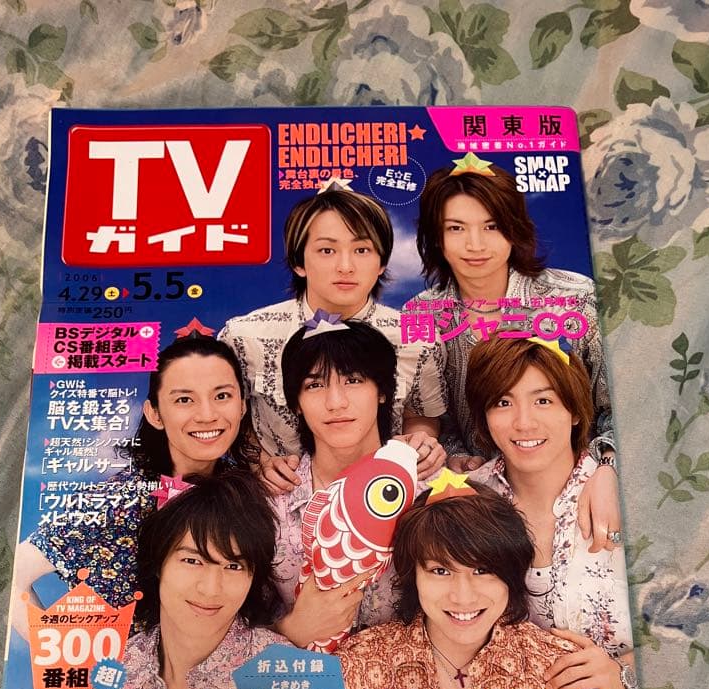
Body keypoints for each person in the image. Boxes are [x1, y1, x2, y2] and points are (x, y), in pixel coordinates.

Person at [410, 157, 619, 550]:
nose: (475, 245)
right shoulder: (421, 315)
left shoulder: (573, 299)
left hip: (583, 485)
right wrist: (453, 456)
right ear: (436, 237)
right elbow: (432, 419)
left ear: (514, 228)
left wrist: (608, 468)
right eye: (456, 228)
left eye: (491, 226)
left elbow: (620, 409)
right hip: (479, 500)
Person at [11, 334, 255, 638]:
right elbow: (14, 573)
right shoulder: (116, 500)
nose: (207, 415)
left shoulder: (247, 487)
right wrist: (51, 647)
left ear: (242, 406)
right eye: (184, 399)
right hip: (128, 665)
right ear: (154, 413)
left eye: (222, 396)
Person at [219, 184, 446, 492]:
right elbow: (230, 416)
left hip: (382, 495)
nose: (345, 267)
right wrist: (261, 462)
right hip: (281, 497)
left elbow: (422, 413)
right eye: (327, 250)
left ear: (382, 262)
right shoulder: (245, 336)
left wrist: (421, 444)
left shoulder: (418, 337)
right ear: (299, 262)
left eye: (362, 250)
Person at [465, 335, 640, 689]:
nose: (524, 422)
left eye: (543, 400)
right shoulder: (463, 501)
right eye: (503, 402)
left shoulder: (633, 496)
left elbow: (694, 625)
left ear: (574, 410)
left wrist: (626, 672)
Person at [336, 477, 582, 689]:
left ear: (511, 573)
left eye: (482, 570)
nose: (463, 597)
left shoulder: (562, 668)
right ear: (413, 575)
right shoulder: (356, 664)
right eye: (441, 571)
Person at [69, 472, 288, 689]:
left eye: (233, 566)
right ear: (159, 563)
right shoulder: (108, 673)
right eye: (192, 561)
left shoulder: (285, 675)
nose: (210, 589)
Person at [271, 316, 430, 649]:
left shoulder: (428, 487)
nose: (336, 402)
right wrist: (289, 630)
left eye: (353, 380)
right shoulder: (269, 503)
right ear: (296, 403)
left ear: (382, 391)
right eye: (314, 385)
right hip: (302, 678)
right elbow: (228, 630)